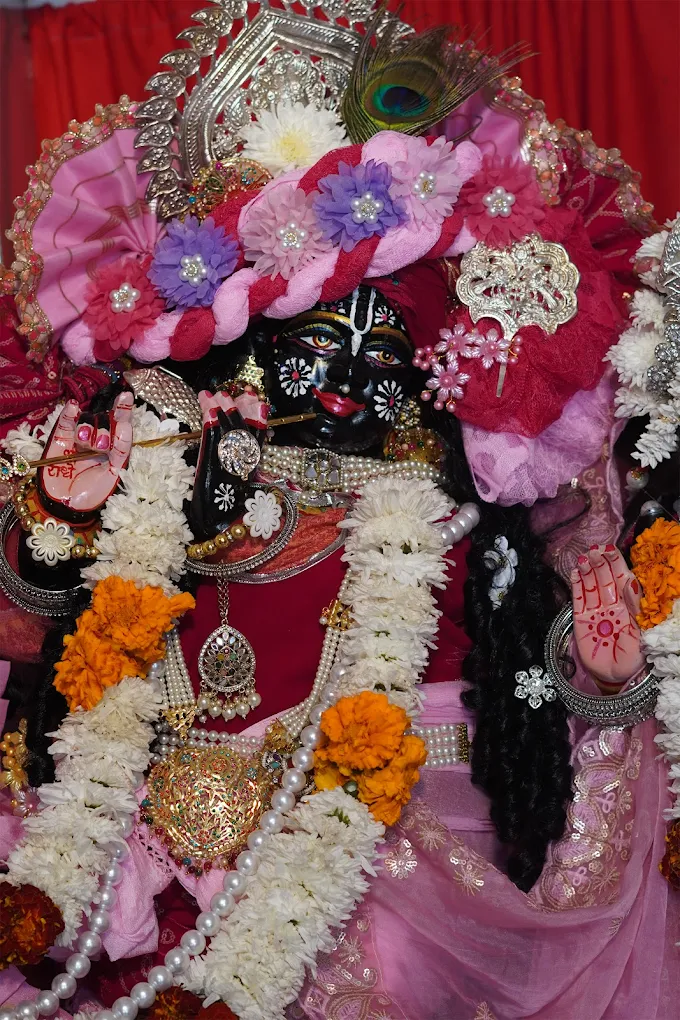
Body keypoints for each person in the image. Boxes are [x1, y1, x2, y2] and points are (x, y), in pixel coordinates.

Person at [0, 3, 675, 1018]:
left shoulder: (471, 496)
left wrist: (605, 678)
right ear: (235, 341)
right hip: (152, 886)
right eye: (312, 336)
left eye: (386, 340)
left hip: (412, 877)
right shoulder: (166, 457)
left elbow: (572, 682)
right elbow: (31, 617)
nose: (351, 373)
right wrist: (62, 521)